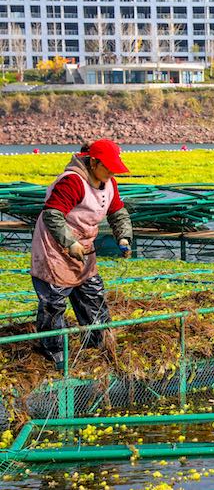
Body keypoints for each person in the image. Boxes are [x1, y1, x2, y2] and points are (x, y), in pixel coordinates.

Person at [30, 139, 133, 371]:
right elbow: (53, 215)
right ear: (94, 162)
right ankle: (53, 352)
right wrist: (70, 243)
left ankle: (99, 345)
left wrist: (123, 237)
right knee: (53, 302)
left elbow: (118, 213)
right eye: (107, 167)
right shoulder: (72, 182)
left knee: (92, 295)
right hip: (55, 247)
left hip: (84, 247)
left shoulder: (109, 183)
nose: (111, 173)